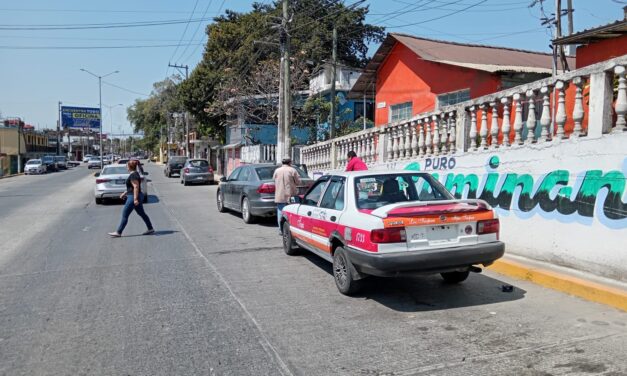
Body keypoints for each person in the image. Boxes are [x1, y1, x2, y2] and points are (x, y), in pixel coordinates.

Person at [108, 160, 154, 237]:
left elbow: (136, 187)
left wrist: (135, 199)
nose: (126, 167)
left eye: (126, 166)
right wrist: (125, 193)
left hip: (133, 197)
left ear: (129, 167)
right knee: (142, 213)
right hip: (134, 195)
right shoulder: (135, 174)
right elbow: (132, 187)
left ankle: (118, 232)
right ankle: (150, 228)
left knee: (125, 214)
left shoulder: (133, 175)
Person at [273, 157, 301, 232]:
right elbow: (298, 182)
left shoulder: (277, 170)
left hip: (279, 195)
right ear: (290, 162)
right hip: (291, 195)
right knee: (293, 212)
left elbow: (274, 180)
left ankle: (281, 229)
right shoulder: (292, 170)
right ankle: (293, 229)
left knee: (280, 212)